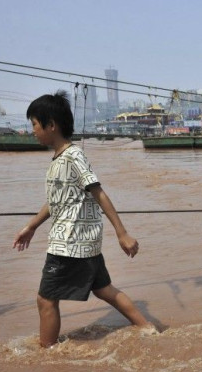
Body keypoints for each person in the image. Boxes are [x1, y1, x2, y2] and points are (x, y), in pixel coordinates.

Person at [13, 90, 154, 347]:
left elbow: (98, 191)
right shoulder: (59, 160)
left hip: (69, 243)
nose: (32, 130)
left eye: (34, 124)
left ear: (51, 125)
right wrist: (31, 226)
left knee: (46, 299)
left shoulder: (73, 157)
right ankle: (147, 329)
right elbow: (57, 201)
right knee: (104, 290)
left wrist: (122, 233)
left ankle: (47, 354)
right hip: (82, 241)